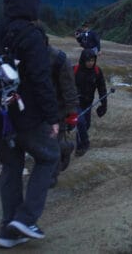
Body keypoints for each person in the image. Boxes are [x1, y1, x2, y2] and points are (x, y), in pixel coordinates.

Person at [0, 0, 59, 248]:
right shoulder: (32, 35)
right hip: (26, 116)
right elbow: (41, 80)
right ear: (31, 3)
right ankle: (26, 218)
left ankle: (7, 231)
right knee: (49, 157)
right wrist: (53, 117)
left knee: (11, 165)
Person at [49, 45, 80, 187]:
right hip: (34, 109)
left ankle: (51, 176)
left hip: (56, 110)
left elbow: (69, 88)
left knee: (53, 143)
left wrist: (72, 113)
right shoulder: (21, 54)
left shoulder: (58, 58)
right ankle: (65, 147)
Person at [74, 49, 108, 157]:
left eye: (93, 60)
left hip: (88, 102)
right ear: (83, 60)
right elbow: (66, 85)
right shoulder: (74, 70)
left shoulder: (97, 72)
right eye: (88, 60)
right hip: (75, 102)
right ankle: (84, 144)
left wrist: (104, 104)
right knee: (80, 122)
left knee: (86, 125)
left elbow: (102, 88)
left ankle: (79, 144)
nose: (90, 63)